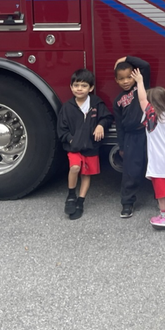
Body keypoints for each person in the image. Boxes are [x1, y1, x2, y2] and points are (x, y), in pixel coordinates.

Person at [56, 68, 112, 221]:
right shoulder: (67, 107)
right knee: (75, 167)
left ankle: (80, 202)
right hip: (74, 147)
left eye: (84, 86)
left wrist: (101, 125)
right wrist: (70, 139)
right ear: (71, 87)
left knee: (86, 174)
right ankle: (71, 195)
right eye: (76, 85)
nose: (79, 89)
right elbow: (61, 129)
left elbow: (107, 117)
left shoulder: (96, 104)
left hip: (91, 147)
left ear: (91, 88)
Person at [133, 68, 165, 230]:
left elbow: (141, 99)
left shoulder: (152, 118)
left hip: (160, 161)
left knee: (161, 190)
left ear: (152, 105)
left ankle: (164, 216)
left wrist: (140, 81)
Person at [114, 56, 153, 218]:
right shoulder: (118, 101)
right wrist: (122, 146)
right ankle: (127, 203)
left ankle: (162, 198)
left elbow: (146, 64)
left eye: (129, 77)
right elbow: (119, 126)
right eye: (121, 78)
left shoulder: (142, 88)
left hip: (149, 133)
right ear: (116, 80)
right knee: (131, 170)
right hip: (131, 137)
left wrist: (124, 58)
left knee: (155, 166)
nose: (125, 81)